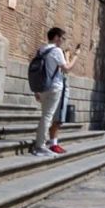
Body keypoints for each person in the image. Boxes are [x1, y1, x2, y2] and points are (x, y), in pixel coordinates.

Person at [29, 28, 76, 157]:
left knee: (45, 115)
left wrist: (37, 90)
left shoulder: (41, 49)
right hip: (54, 87)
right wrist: (75, 58)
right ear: (56, 37)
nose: (63, 40)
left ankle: (40, 143)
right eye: (62, 38)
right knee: (47, 116)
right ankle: (40, 146)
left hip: (42, 87)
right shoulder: (56, 50)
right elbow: (66, 69)